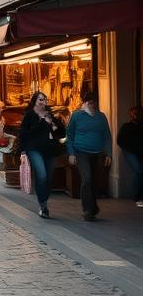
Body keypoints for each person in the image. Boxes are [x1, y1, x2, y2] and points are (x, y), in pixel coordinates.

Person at [66, 87, 112, 221]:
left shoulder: (101, 117)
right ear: (84, 102)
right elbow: (69, 134)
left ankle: (93, 207)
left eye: (94, 102)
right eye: (89, 102)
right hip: (81, 152)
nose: (92, 105)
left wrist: (109, 154)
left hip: (98, 153)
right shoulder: (76, 116)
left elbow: (107, 136)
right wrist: (71, 153)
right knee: (86, 179)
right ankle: (87, 210)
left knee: (94, 182)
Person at [17, 90, 65, 219]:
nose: (43, 102)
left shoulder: (49, 114)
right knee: (42, 175)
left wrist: (55, 125)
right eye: (40, 99)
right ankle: (43, 206)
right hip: (34, 149)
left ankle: (44, 199)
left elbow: (61, 132)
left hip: (49, 149)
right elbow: (25, 134)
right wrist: (43, 122)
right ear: (34, 101)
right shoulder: (29, 115)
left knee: (49, 178)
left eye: (44, 99)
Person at [120, 105, 143, 208]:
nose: (135, 115)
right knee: (138, 171)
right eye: (133, 113)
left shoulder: (141, 126)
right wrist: (129, 149)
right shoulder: (126, 126)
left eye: (137, 113)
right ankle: (137, 197)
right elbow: (120, 140)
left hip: (140, 152)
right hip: (130, 152)